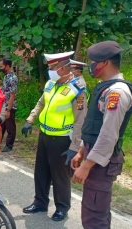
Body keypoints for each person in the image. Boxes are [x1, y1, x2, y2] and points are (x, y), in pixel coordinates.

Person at [71, 41, 132, 229]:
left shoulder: (117, 92)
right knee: (93, 210)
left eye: (93, 62)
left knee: (94, 217)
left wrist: (87, 165)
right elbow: (94, 126)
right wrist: (82, 150)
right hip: (94, 154)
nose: (91, 66)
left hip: (101, 162)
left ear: (104, 62)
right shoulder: (105, 87)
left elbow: (108, 135)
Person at [21, 51, 87, 221]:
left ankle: (62, 208)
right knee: (41, 172)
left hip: (62, 139)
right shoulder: (51, 83)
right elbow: (41, 102)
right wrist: (30, 119)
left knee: (60, 176)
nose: (51, 71)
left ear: (65, 68)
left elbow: (81, 121)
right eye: (50, 67)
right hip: (44, 135)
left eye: (54, 67)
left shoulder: (77, 89)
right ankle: (40, 202)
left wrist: (74, 147)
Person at [0, 58, 18, 152]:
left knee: (10, 127)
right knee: (2, 126)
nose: (0, 68)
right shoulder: (6, 77)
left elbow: (12, 95)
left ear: (7, 66)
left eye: (2, 66)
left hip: (10, 106)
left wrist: (8, 109)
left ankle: (9, 145)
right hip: (4, 105)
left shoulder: (13, 78)